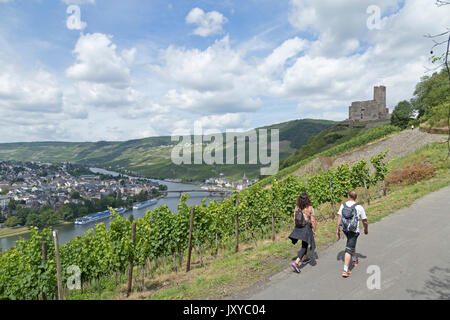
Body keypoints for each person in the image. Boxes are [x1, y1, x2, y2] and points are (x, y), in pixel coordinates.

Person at [336, 190, 368, 278]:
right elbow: (364, 220)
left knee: (351, 243)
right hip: (354, 231)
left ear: (348, 196)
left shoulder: (343, 205)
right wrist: (366, 229)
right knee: (349, 248)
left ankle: (354, 260)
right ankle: (345, 270)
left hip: (345, 229)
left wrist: (337, 229)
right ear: (355, 197)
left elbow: (339, 216)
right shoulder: (359, 207)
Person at [288, 193, 317, 273]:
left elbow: (294, 219)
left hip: (298, 227)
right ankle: (296, 262)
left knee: (304, 243)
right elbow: (313, 221)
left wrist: (296, 229)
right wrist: (315, 230)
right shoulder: (310, 208)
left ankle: (304, 258)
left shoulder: (297, 207)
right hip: (306, 228)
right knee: (305, 245)